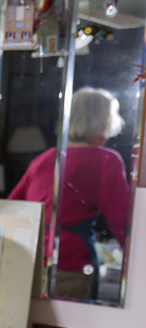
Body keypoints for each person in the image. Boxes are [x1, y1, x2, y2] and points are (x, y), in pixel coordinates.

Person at [8, 87, 131, 300]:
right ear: (102, 122)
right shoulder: (106, 160)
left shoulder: (46, 158)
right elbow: (123, 224)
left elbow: (11, 209)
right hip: (71, 268)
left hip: (29, 265)